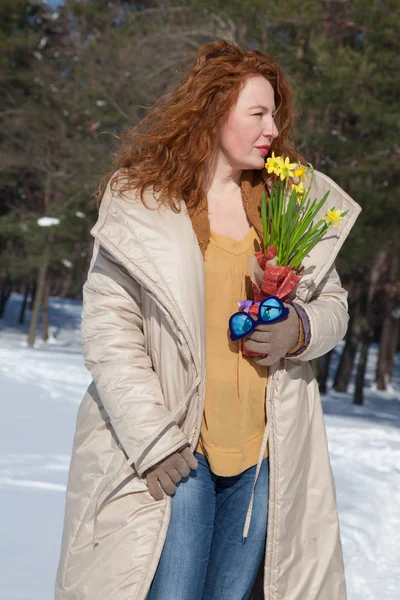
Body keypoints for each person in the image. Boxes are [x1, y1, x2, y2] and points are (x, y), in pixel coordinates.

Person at [55, 40, 361, 600]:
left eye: (275, 114)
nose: (273, 129)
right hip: (177, 450)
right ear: (215, 110)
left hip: (264, 456)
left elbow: (334, 307)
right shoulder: (144, 203)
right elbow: (109, 332)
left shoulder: (287, 203)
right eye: (258, 113)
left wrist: (301, 330)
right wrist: (153, 441)